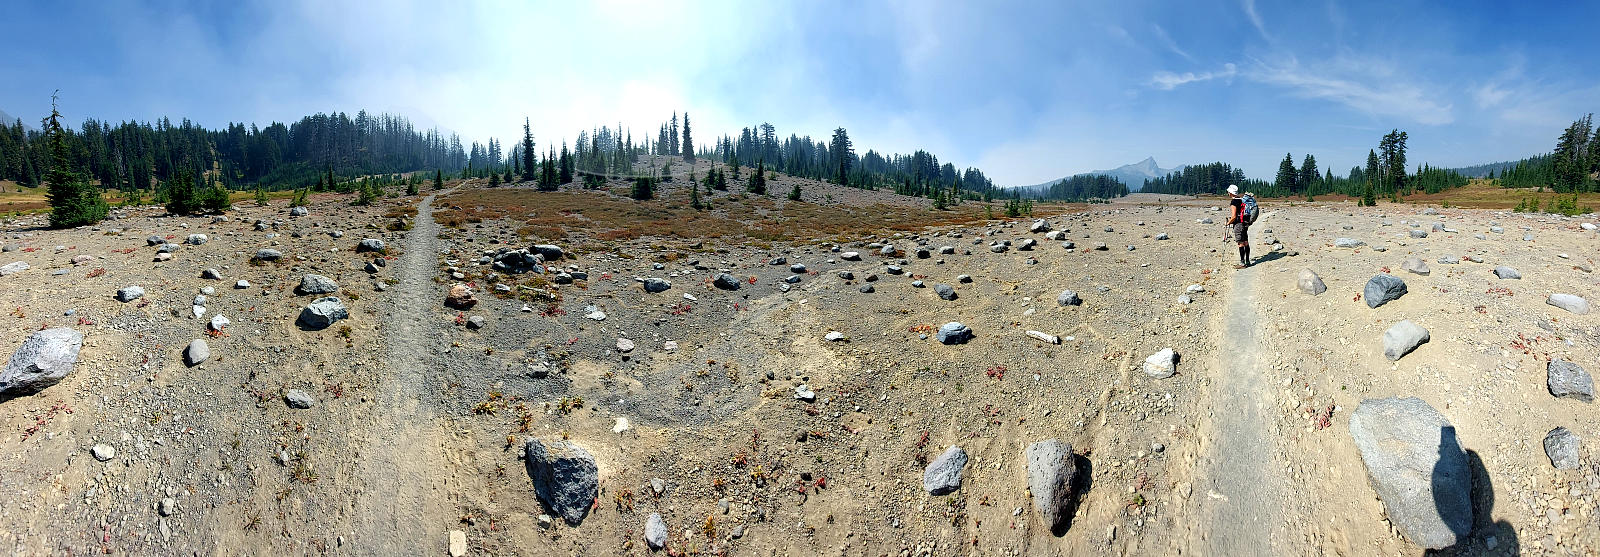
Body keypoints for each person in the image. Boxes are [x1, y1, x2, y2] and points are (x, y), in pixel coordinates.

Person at [1225, 184, 1251, 268]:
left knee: (1240, 243)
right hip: (1245, 223)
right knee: (1245, 242)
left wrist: (1228, 223)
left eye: (1228, 192)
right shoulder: (1241, 200)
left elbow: (1234, 216)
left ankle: (1242, 263)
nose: (1228, 193)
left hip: (1238, 224)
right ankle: (1247, 261)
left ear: (1231, 193)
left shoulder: (1234, 202)